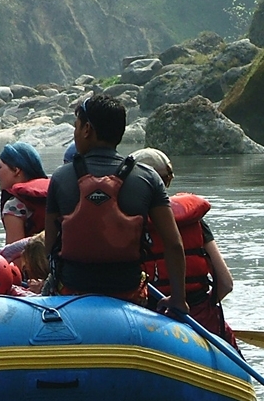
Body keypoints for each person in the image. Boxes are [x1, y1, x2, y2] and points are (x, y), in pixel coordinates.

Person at [45, 94, 188, 313]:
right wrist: (178, 299)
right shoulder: (148, 178)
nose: (75, 133)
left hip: (72, 292)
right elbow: (174, 244)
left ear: (87, 130)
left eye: (77, 126)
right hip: (128, 292)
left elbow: (50, 246)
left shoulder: (60, 178)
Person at [130, 147, 238, 348]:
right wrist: (202, 307)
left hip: (149, 321)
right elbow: (226, 283)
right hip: (198, 318)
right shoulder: (194, 221)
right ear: (168, 180)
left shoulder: (128, 223)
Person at [0, 141, 48, 245]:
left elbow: (15, 256)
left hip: (33, 261)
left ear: (16, 171)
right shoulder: (56, 192)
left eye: (0, 167)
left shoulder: (14, 206)